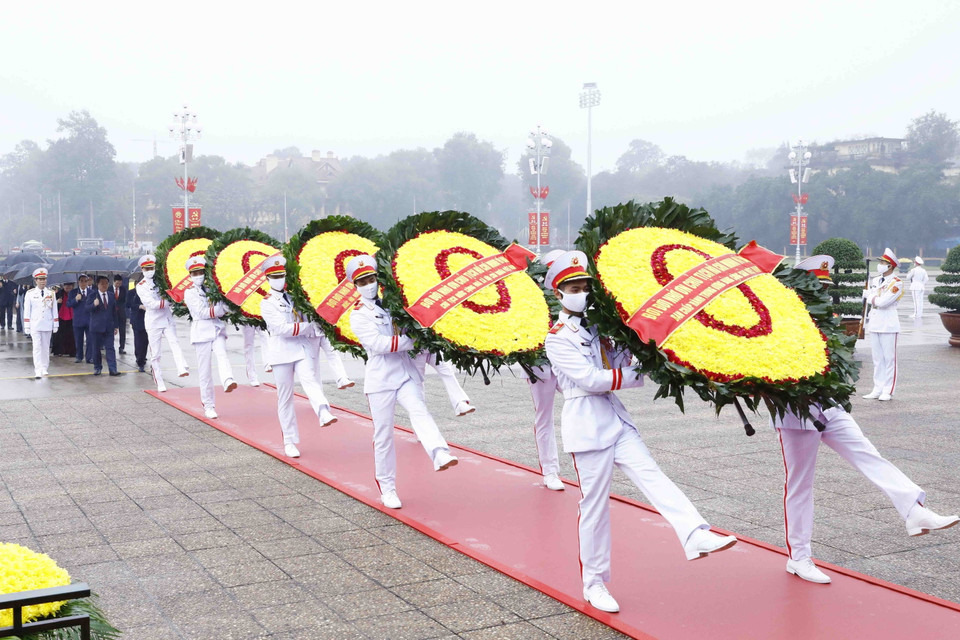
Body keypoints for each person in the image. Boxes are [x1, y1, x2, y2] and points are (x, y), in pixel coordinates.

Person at [544, 251, 736, 614]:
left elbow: (612, 364)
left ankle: (695, 533)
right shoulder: (556, 337)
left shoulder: (598, 326)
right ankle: (594, 583)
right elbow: (590, 379)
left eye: (585, 286)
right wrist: (634, 375)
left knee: (653, 475)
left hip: (616, 420)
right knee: (595, 508)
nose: (582, 292)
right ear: (558, 293)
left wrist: (636, 348)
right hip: (586, 425)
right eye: (573, 287)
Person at [774, 256, 958, 584]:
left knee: (868, 454)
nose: (822, 292)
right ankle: (798, 557)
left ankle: (914, 511)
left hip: (830, 406)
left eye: (824, 287)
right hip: (797, 414)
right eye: (816, 286)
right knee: (800, 485)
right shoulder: (779, 321)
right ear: (799, 287)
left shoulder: (823, 317)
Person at [347, 254, 458, 511]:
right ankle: (387, 488)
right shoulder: (359, 314)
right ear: (356, 285)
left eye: (372, 278)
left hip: (405, 373)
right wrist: (413, 342)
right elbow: (378, 344)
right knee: (383, 435)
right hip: (380, 380)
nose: (369, 284)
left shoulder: (391, 304)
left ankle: (439, 452)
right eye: (363, 281)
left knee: (420, 410)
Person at [259, 255, 337, 458]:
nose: (279, 279)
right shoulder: (266, 303)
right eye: (274, 276)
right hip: (281, 353)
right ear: (267, 279)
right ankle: (289, 441)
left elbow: (308, 317)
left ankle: (323, 411)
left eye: (281, 275)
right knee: (285, 398)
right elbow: (280, 328)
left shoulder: (295, 297)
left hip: (301, 348)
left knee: (310, 379)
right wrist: (306, 327)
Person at [527, 249, 567, 491]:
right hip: (539, 362)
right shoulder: (533, 295)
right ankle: (550, 471)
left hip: (565, 361)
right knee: (544, 416)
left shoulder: (574, 293)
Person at [183, 256, 237, 419]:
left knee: (222, 354)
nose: (199, 275)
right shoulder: (189, 292)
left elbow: (225, 305)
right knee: (205, 371)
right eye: (195, 273)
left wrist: (227, 306)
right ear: (191, 275)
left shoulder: (212, 289)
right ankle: (208, 405)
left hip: (217, 329)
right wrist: (221, 309)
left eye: (201, 272)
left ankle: (228, 379)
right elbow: (201, 313)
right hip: (202, 333)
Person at [136, 255, 189, 392]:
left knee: (174, 342)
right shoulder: (141, 286)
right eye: (147, 268)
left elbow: (171, 291)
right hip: (153, 322)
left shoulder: (161, 281)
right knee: (156, 354)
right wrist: (169, 301)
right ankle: (159, 381)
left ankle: (181, 367)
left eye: (152, 268)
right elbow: (150, 304)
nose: (150, 270)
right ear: (142, 269)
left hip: (166, 318)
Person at [862, 248, 903, 401]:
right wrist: (871, 297)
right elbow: (875, 301)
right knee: (877, 359)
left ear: (890, 265)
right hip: (875, 322)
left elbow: (883, 302)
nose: (879, 264)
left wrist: (870, 296)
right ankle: (877, 388)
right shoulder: (875, 280)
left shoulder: (897, 283)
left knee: (889, 359)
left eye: (883, 262)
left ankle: (888, 390)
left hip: (888, 323)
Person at [22, 268, 59, 379]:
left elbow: (54, 310)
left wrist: (55, 324)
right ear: (36, 280)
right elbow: (27, 310)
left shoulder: (51, 293)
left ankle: (44, 367)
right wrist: (27, 325)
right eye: (40, 279)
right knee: (37, 347)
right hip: (35, 324)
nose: (42, 281)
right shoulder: (30, 293)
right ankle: (37, 369)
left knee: (45, 347)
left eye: (44, 279)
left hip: (47, 324)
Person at [85, 275, 121, 377]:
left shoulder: (111, 295)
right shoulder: (92, 295)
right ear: (98, 284)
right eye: (102, 283)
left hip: (109, 326)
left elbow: (114, 311)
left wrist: (116, 325)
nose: (104, 285)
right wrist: (94, 305)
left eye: (106, 283)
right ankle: (97, 367)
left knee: (110, 348)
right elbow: (87, 308)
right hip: (96, 327)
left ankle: (113, 369)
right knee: (96, 349)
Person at [67, 274, 93, 363]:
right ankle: (79, 356)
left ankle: (89, 357)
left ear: (88, 282)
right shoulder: (73, 292)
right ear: (78, 282)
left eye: (85, 281)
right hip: (78, 320)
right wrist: (76, 299)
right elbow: (68, 304)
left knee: (90, 340)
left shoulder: (92, 292)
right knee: (78, 340)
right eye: (81, 281)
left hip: (89, 320)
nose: (83, 283)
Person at [126, 281, 149, 372]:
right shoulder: (132, 293)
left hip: (147, 319)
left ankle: (143, 357)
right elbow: (128, 304)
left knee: (145, 341)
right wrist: (139, 306)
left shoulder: (147, 292)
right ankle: (140, 361)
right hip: (136, 319)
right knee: (138, 340)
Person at [53, 281, 77, 358]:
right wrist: (57, 302)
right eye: (66, 285)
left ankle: (72, 352)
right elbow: (51, 304)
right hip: (61, 315)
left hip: (72, 316)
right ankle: (59, 351)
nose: (67, 287)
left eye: (69, 286)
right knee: (60, 335)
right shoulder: (58, 294)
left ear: (72, 286)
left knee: (71, 335)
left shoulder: (76, 293)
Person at [113, 274, 128, 354]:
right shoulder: (109, 289)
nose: (118, 285)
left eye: (120, 283)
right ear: (114, 282)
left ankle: (121, 347)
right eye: (117, 283)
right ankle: (109, 346)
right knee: (111, 330)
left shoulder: (123, 289)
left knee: (122, 331)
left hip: (121, 313)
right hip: (112, 314)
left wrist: (118, 306)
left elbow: (124, 301)